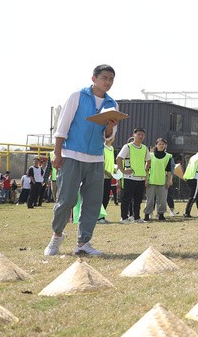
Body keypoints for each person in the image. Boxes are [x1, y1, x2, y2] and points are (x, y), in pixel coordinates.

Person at [43, 64, 120, 257]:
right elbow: (63, 127)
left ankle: (83, 243)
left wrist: (110, 127)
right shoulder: (77, 96)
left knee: (92, 203)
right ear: (94, 79)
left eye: (111, 79)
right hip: (71, 155)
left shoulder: (112, 104)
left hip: (96, 158)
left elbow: (108, 138)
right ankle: (56, 236)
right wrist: (57, 154)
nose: (108, 82)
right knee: (66, 199)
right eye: (104, 78)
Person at [117, 128, 148, 223]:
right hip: (129, 177)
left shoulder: (144, 148)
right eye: (139, 134)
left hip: (141, 177)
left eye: (142, 134)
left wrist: (145, 170)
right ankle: (124, 217)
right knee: (126, 198)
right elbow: (119, 158)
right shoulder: (127, 147)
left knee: (138, 199)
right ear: (134, 135)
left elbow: (148, 160)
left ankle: (137, 217)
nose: (141, 136)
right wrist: (123, 170)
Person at [144, 137, 174, 221]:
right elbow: (146, 168)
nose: (161, 145)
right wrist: (146, 179)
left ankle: (161, 214)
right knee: (149, 199)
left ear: (165, 146)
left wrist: (168, 181)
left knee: (162, 199)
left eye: (163, 144)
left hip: (162, 180)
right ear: (156, 145)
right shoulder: (150, 155)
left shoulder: (168, 156)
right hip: (151, 180)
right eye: (159, 144)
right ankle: (147, 214)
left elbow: (169, 170)